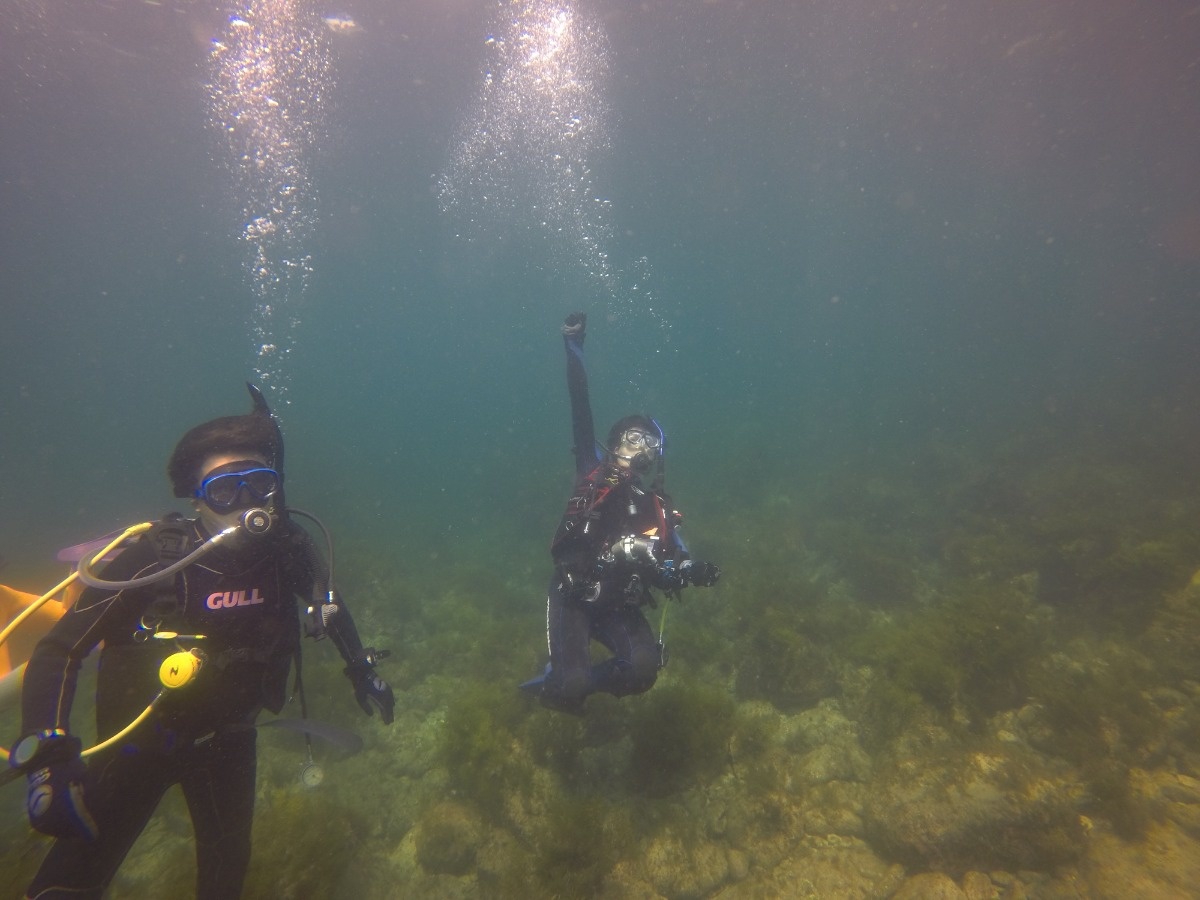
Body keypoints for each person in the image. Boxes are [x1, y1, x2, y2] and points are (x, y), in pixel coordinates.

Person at [7, 384, 394, 899]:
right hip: (139, 744)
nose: (246, 504)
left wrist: (360, 669)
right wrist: (48, 756)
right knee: (69, 882)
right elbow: (61, 649)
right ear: (196, 497)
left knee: (225, 875)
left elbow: (331, 604)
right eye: (225, 491)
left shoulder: (288, 549)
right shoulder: (154, 557)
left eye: (260, 484)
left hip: (229, 740)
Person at [521, 313, 721, 714]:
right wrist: (573, 345)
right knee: (570, 689)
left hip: (617, 605)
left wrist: (690, 570)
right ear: (614, 444)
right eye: (632, 440)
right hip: (574, 597)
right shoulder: (593, 473)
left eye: (648, 446)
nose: (640, 450)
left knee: (644, 671)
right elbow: (581, 408)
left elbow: (673, 556)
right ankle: (559, 683)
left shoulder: (654, 505)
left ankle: (579, 682)